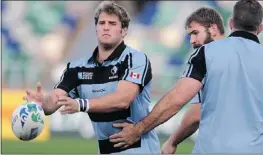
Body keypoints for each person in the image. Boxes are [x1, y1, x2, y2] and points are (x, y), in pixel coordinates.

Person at [109, 0, 263, 153]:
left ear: (231, 24)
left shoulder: (207, 53)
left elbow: (178, 100)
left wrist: (139, 131)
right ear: (259, 28)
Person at [23, 1, 160, 154]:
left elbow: (123, 100)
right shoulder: (77, 68)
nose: (106, 27)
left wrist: (80, 104)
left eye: (112, 23)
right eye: (102, 23)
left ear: (124, 30)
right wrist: (44, 103)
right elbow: (56, 98)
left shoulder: (136, 60)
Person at [161, 7, 225, 154]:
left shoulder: (206, 58)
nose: (192, 41)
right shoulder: (248, 56)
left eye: (195, 33)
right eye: (190, 35)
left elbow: (195, 115)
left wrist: (171, 142)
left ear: (213, 29)